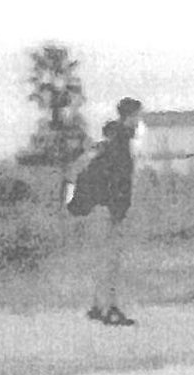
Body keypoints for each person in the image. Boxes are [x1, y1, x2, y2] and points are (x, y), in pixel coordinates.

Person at [67, 98, 142, 326]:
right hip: (109, 208)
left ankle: (99, 305)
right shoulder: (120, 142)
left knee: (105, 258)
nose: (139, 121)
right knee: (110, 260)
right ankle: (109, 308)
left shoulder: (111, 141)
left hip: (100, 206)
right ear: (130, 116)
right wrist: (118, 209)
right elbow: (118, 180)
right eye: (138, 116)